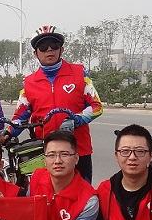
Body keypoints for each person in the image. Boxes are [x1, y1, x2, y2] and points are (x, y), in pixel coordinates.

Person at [13, 25, 103, 183]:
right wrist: (6, 133)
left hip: (78, 151)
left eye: (54, 45)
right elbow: (19, 118)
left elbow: (97, 106)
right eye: (43, 46)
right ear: (35, 53)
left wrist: (77, 119)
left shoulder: (79, 73)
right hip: (46, 153)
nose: (49, 50)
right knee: (45, 193)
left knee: (83, 193)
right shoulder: (29, 83)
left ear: (61, 49)